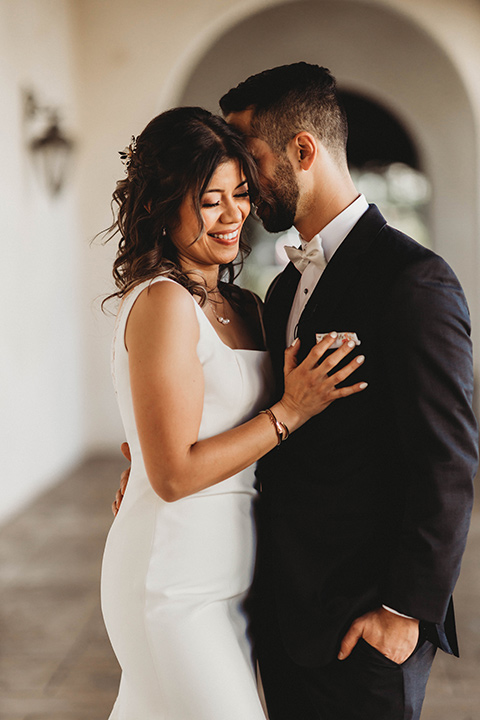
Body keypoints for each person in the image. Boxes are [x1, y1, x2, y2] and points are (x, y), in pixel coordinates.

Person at [216, 62, 478, 720]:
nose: (241, 184)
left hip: (367, 626)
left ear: (302, 150)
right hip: (287, 616)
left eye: (249, 160)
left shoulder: (413, 281)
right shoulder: (280, 292)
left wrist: (402, 613)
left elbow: (448, 462)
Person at [101, 105, 367, 719]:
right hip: (172, 575)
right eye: (209, 199)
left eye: (240, 195)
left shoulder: (246, 304)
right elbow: (171, 477)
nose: (233, 216)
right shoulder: (165, 303)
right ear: (162, 206)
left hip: (236, 577)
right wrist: (289, 412)